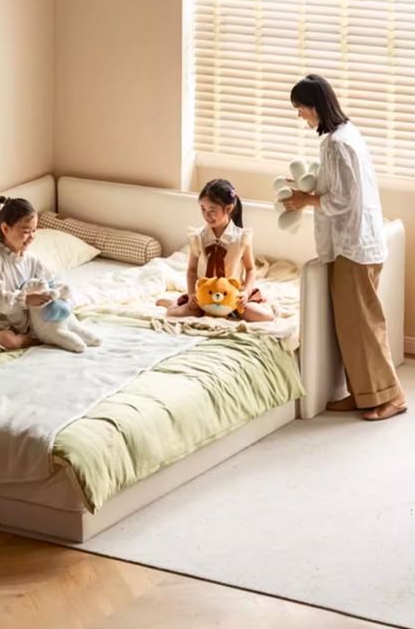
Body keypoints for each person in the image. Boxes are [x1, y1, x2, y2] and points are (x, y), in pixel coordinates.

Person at [285, 74, 407, 421]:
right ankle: (364, 394)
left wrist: (304, 200)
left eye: (300, 109)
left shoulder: (337, 143)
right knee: (352, 326)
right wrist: (309, 188)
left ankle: (392, 397)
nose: (300, 117)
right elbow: (341, 185)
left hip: (353, 246)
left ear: (314, 106)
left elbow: (342, 197)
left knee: (364, 325)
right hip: (356, 243)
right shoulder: (346, 135)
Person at [157, 179, 274, 322]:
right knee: (172, 314)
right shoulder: (198, 237)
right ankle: (175, 302)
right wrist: (192, 293)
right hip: (205, 295)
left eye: (212, 211)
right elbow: (192, 269)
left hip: (232, 296)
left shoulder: (242, 238)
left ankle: (238, 309)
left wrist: (246, 292)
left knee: (266, 317)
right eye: (203, 210)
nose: (207, 215)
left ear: (228, 209)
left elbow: (251, 269)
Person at [0, 196, 54, 350]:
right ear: (5, 229)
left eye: (34, 231)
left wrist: (56, 295)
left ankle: (34, 334)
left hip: (24, 318)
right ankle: (33, 341)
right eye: (26, 231)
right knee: (10, 342)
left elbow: (49, 283)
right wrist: (26, 299)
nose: (31, 237)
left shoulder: (32, 260)